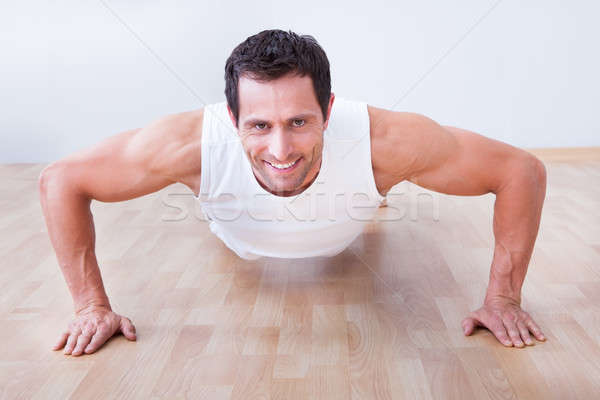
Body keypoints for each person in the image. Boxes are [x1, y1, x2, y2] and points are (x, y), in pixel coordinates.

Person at [39, 29, 547, 357]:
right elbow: (61, 180)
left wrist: (502, 297)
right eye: (259, 125)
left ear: (329, 109)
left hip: (348, 220)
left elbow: (521, 171)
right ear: (233, 117)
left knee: (366, 187)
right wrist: (91, 308)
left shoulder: (387, 141)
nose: (280, 147)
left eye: (299, 121)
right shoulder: (189, 143)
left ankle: (372, 194)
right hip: (235, 233)